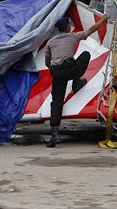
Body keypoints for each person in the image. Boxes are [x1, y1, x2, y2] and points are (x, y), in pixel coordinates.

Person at [45, 15, 108, 148]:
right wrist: (103, 19)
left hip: (58, 73)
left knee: (57, 101)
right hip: (72, 70)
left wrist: (53, 70)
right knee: (85, 55)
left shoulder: (50, 42)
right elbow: (92, 29)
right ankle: (76, 82)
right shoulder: (73, 36)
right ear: (67, 27)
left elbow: (47, 61)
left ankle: (55, 134)